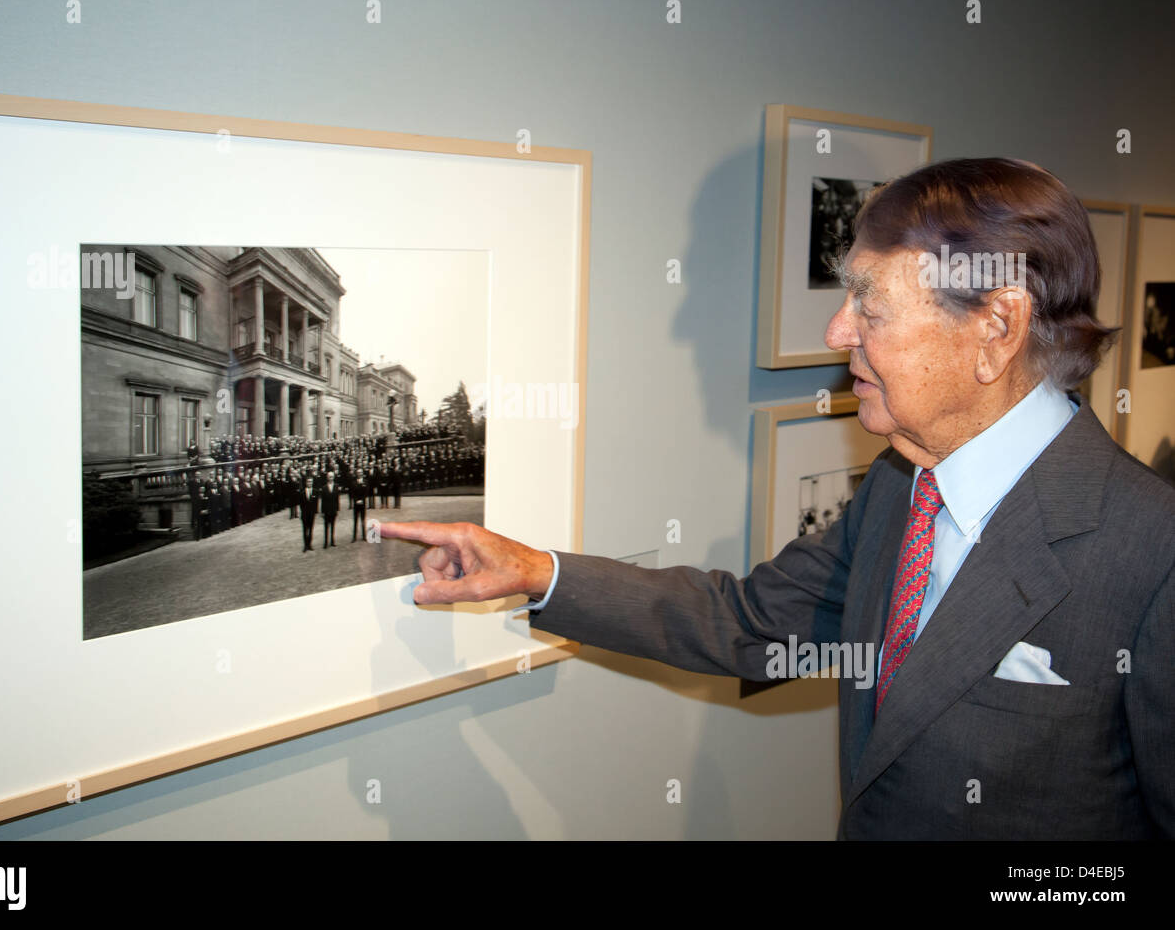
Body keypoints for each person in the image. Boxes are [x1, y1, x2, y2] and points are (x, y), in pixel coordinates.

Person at [380, 158, 1175, 840]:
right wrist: (533, 570)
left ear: (996, 327)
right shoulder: (905, 487)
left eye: (870, 302)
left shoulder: (1153, 557)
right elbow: (750, 623)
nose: (837, 331)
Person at [319, 470, 341, 548]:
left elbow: (337, 498)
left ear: (334, 477)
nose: (331, 478)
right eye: (329, 477)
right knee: (326, 526)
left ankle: (332, 541)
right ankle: (325, 542)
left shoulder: (336, 486)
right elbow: (323, 501)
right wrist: (322, 512)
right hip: (326, 510)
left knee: (333, 525)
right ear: (327, 478)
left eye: (332, 477)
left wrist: (337, 509)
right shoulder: (324, 487)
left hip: (333, 509)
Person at [349, 472, 369, 542]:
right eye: (358, 473)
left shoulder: (365, 482)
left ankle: (364, 536)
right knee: (355, 520)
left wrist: (362, 500)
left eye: (360, 473)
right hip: (356, 504)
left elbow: (366, 492)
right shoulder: (353, 482)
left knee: (363, 520)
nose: (359, 474)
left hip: (363, 504)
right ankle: (354, 537)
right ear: (356, 474)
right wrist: (356, 500)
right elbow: (352, 493)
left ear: (362, 473)